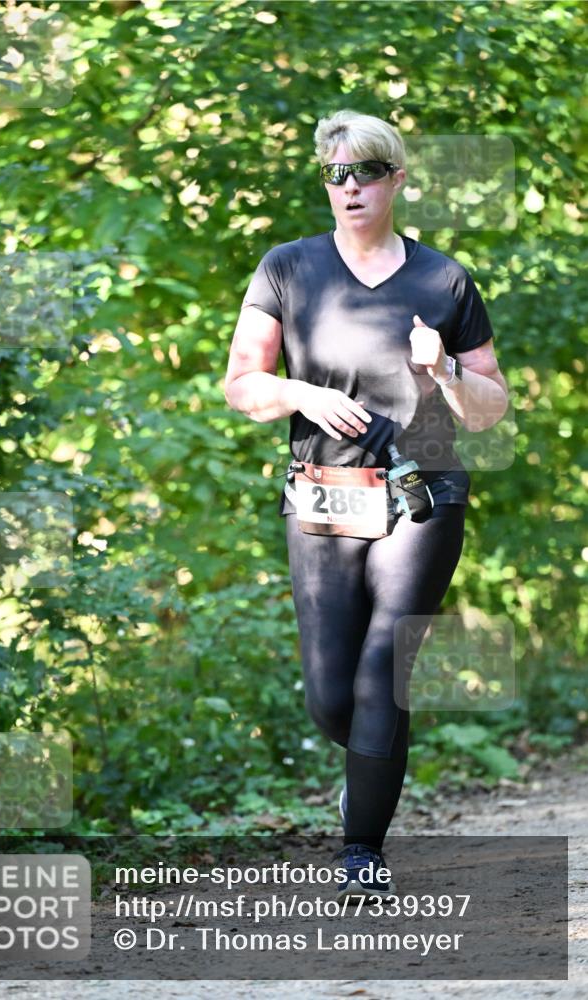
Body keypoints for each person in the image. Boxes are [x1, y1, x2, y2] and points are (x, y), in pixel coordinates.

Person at [223, 109, 509, 900]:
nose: (347, 188)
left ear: (395, 180)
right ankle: (371, 771)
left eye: (363, 173)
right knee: (329, 695)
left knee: (383, 672)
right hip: (323, 497)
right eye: (333, 175)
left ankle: (361, 855)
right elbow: (241, 383)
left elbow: (489, 408)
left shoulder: (444, 280)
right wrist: (301, 394)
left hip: (422, 499)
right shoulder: (287, 267)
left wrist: (445, 369)